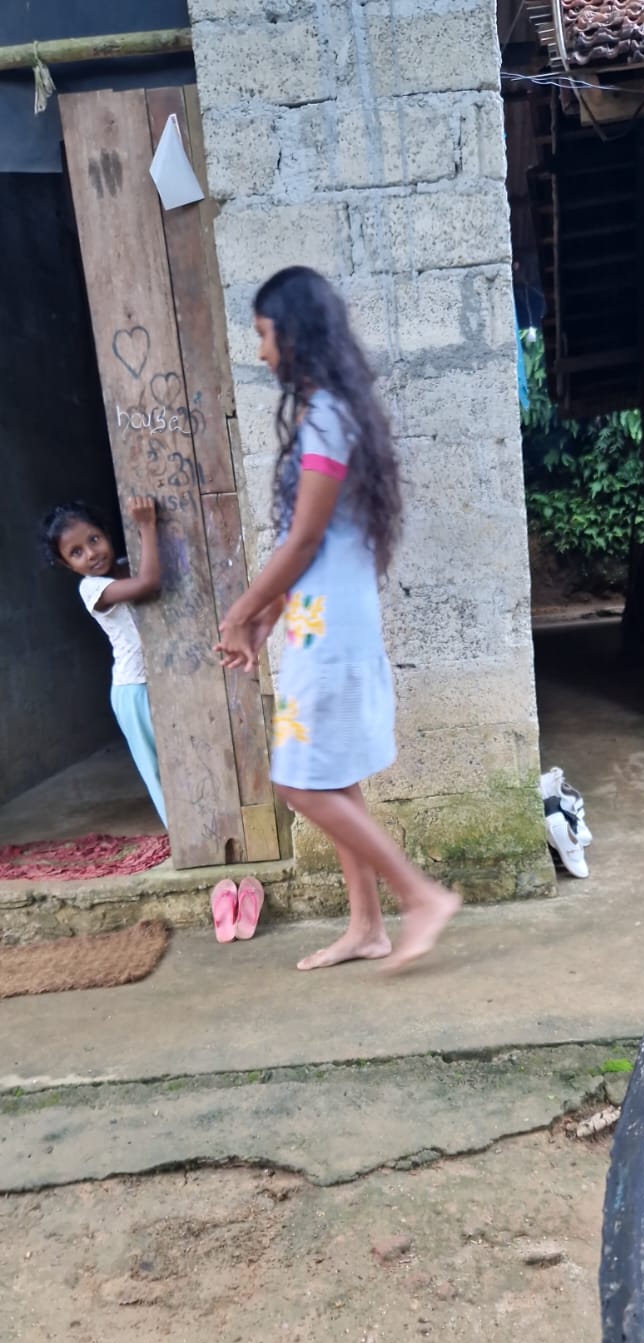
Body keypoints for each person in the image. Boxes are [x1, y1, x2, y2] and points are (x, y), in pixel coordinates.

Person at [216, 266, 460, 972]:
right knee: (334, 777)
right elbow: (316, 548)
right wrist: (270, 615)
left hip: (330, 631)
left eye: (264, 334)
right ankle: (367, 927)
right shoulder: (329, 411)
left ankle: (421, 896)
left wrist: (240, 611)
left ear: (294, 334)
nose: (260, 350)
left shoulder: (325, 416)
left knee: (299, 780)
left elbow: (303, 541)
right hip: (319, 621)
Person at [40, 497, 167, 828]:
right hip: (134, 690)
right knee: (159, 770)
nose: (91, 553)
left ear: (107, 534)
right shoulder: (91, 588)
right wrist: (147, 525)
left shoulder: (122, 567)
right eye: (76, 552)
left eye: (94, 539)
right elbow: (149, 582)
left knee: (178, 756)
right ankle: (183, 835)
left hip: (157, 681)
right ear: (67, 565)